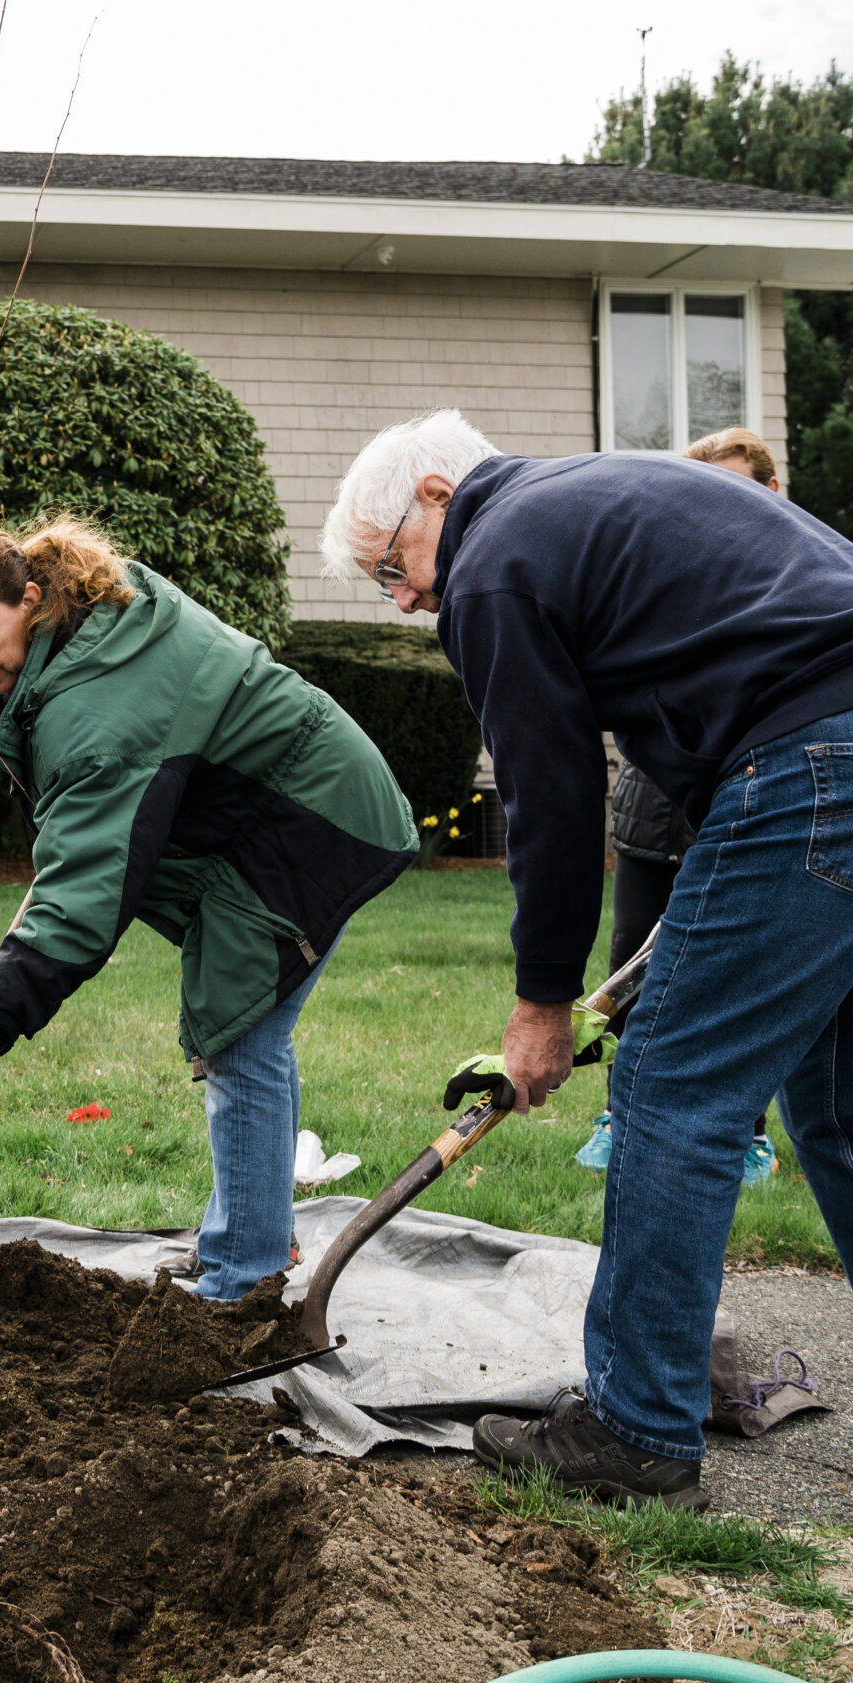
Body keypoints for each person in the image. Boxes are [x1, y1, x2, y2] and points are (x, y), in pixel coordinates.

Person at [320, 409, 853, 1510]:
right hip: (819, 748)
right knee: (837, 1104)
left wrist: (540, 1004)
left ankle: (636, 1433)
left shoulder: (495, 561)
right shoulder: (599, 495)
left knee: (670, 1094)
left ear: (434, 494)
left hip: (812, 756)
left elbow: (550, 798)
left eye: (391, 571)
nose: (407, 601)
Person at [0, 517, 416, 1301]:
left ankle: (242, 1278)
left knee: (240, 1036)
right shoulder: (95, 619)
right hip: (270, 822)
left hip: (306, 824)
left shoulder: (95, 703)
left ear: (31, 598)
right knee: (246, 1038)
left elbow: (82, 898)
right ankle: (243, 1247)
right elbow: (75, 856)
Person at [575, 427, 785, 1183]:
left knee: (741, 974)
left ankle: (745, 1131)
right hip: (650, 811)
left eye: (737, 488)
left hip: (751, 802)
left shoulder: (792, 577)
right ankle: (617, 1116)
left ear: (773, 492)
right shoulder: (667, 574)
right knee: (632, 967)